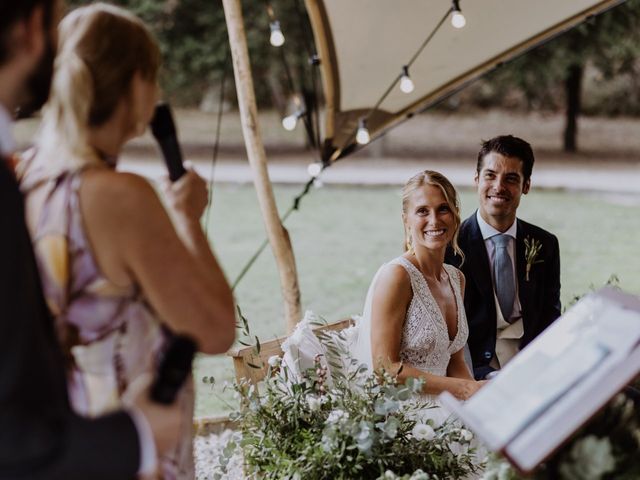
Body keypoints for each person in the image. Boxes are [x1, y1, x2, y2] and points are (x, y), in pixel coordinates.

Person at [18, 3, 236, 478]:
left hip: (61, 447)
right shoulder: (118, 197)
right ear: (137, 84)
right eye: (153, 78)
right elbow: (217, 329)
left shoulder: (26, 176)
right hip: (129, 451)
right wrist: (189, 219)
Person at [352, 170, 485, 407]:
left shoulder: (456, 279)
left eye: (443, 209)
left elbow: (455, 362)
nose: (434, 220)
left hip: (448, 407)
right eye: (423, 211)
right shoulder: (398, 276)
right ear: (406, 220)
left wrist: (478, 398)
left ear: (455, 215)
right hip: (407, 415)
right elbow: (385, 371)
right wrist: (463, 388)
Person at [446, 135, 561, 380]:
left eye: (511, 178)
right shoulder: (450, 247)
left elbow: (550, 319)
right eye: (490, 175)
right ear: (476, 180)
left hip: (536, 371)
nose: (499, 186)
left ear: (526, 186)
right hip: (476, 374)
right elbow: (446, 337)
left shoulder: (545, 244)